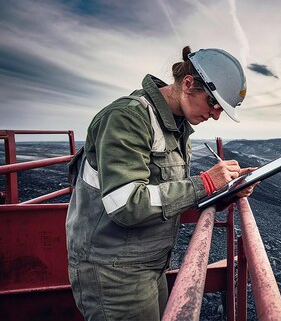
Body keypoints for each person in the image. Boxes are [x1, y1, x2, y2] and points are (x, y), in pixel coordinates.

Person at [66, 46, 255, 320]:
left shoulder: (176, 127)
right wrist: (204, 182)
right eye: (213, 103)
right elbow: (126, 204)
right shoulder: (127, 118)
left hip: (151, 263)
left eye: (221, 111)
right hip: (115, 271)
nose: (216, 114)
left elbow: (166, 195)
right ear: (188, 84)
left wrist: (228, 191)